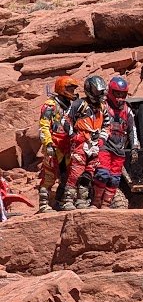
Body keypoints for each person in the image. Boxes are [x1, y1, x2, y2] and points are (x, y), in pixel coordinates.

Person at [60, 76, 107, 211]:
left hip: (95, 144)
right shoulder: (79, 104)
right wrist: (73, 136)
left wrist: (102, 139)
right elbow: (65, 120)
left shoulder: (102, 107)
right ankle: (67, 200)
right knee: (76, 172)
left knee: (89, 173)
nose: (100, 94)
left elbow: (107, 125)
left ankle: (82, 200)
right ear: (89, 90)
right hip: (80, 143)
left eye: (101, 91)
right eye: (97, 91)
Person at [92, 76, 138, 209]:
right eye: (117, 94)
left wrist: (134, 147)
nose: (120, 98)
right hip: (104, 146)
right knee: (102, 174)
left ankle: (106, 205)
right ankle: (96, 201)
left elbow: (132, 129)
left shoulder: (127, 110)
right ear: (111, 92)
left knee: (114, 179)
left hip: (119, 148)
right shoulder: (103, 106)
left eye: (123, 94)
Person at [37, 76, 79, 213]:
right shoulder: (50, 105)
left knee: (67, 175)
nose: (72, 92)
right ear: (62, 88)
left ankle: (62, 202)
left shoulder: (72, 106)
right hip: (54, 145)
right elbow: (44, 125)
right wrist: (48, 144)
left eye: (73, 89)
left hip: (67, 145)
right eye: (70, 89)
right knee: (49, 175)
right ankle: (44, 204)